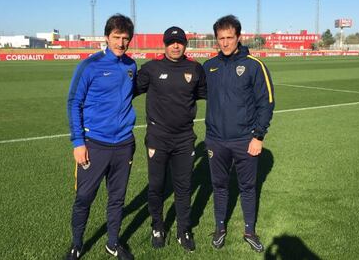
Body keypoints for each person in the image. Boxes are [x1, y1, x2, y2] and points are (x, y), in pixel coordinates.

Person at [66, 14, 136, 260]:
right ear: (107, 37)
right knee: (84, 197)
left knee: (117, 199)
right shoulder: (90, 65)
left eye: (125, 38)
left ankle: (113, 243)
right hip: (94, 144)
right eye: (116, 37)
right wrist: (78, 142)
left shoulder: (131, 66)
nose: (120, 43)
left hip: (124, 144)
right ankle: (76, 243)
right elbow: (74, 103)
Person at [203, 15, 275, 253]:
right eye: (221, 38)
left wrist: (258, 136)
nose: (225, 42)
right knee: (219, 185)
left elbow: (267, 103)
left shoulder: (254, 65)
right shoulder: (209, 66)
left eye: (229, 37)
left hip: (245, 140)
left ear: (238, 37)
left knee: (248, 187)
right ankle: (220, 227)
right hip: (215, 139)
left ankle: (249, 230)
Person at [135, 26, 207, 252]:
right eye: (171, 42)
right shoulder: (151, 69)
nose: (175, 46)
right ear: (164, 45)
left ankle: (183, 229)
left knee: (184, 187)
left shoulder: (196, 69)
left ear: (185, 44)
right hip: (158, 138)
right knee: (156, 186)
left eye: (180, 42)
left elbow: (204, 94)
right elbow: (128, 91)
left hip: (185, 138)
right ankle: (158, 226)